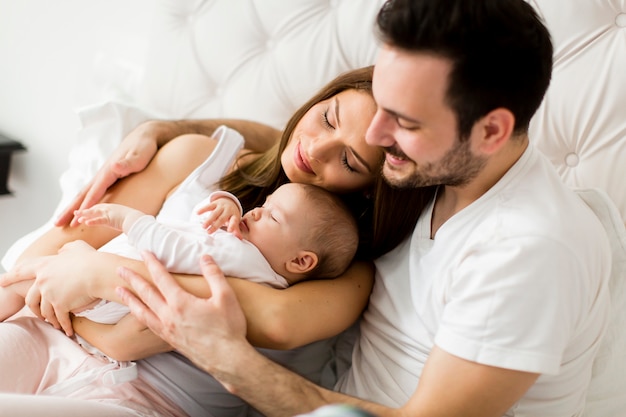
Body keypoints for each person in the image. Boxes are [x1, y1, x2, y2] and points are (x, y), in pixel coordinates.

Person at [90, 0, 613, 416]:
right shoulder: (434, 167)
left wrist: (223, 355)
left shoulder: (527, 251)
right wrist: (168, 128)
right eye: (379, 105)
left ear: (491, 130)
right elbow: (295, 148)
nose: (377, 134)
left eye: (403, 121)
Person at [0, 66, 433, 416]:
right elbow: (49, 249)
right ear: (319, 100)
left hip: (148, 400)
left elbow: (277, 321)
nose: (315, 149)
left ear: (372, 187)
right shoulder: (198, 160)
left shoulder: (341, 269)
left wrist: (98, 274)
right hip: (47, 331)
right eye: (327, 118)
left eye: (348, 159)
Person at [0, 181, 359, 326]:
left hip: (112, 298)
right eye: (264, 203)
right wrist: (225, 202)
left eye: (273, 215)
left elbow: (175, 252)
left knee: (25, 278)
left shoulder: (248, 261)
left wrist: (129, 220)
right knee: (38, 275)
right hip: (109, 292)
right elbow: (196, 224)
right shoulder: (250, 255)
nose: (257, 211)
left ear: (300, 261)